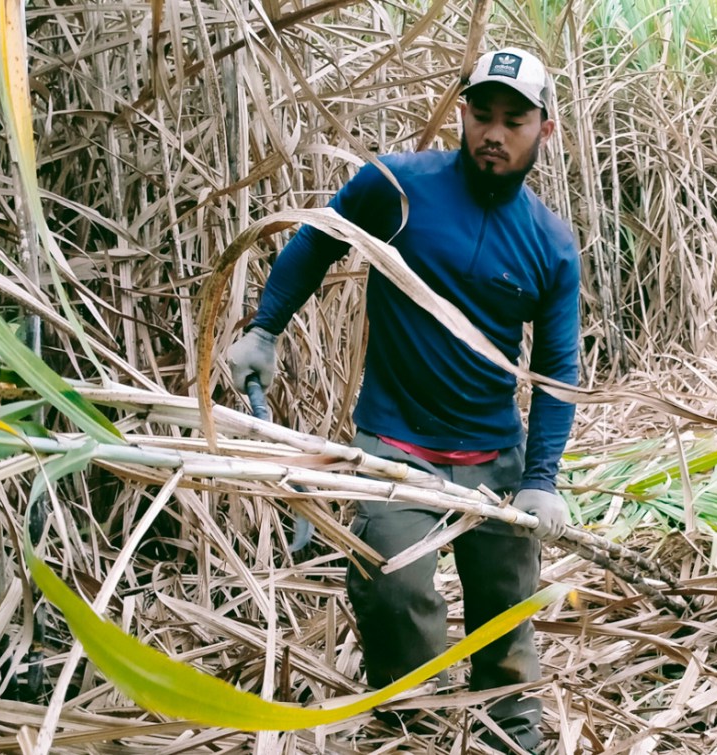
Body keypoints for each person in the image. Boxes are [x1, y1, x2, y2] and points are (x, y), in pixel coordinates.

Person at [227, 47, 579, 752]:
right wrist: (264, 331)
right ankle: (410, 731)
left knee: (504, 624)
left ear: (544, 130)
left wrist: (540, 481)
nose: (493, 133)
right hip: (396, 447)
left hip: (493, 458)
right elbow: (315, 242)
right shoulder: (395, 187)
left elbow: (557, 368)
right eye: (482, 114)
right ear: (462, 111)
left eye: (514, 120)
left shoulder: (551, 246)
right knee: (394, 593)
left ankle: (514, 738)